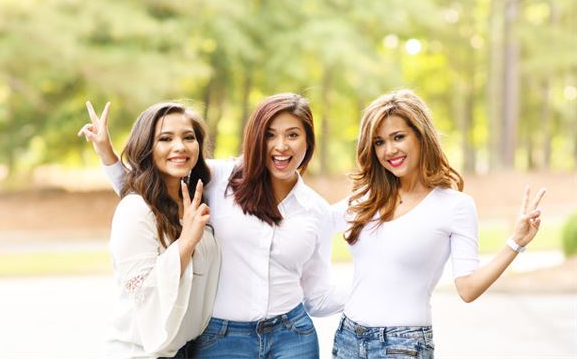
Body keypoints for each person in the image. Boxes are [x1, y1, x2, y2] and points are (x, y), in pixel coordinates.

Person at [82, 94, 346, 359]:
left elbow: (317, 294)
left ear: (308, 141)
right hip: (222, 339)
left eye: (293, 135)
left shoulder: (316, 210)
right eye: (269, 135)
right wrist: (107, 155)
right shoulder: (219, 178)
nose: (281, 146)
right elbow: (152, 189)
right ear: (256, 137)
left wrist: (368, 293)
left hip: (292, 337)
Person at [330, 90, 546, 359]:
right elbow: (310, 223)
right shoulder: (366, 199)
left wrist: (516, 243)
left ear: (421, 137)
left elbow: (468, 289)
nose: (389, 150)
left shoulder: (454, 206)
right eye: (379, 142)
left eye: (398, 137)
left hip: (402, 345)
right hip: (348, 338)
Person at [79, 102, 220, 358]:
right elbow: (144, 292)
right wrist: (186, 242)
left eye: (188, 137)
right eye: (165, 139)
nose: (180, 146)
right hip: (139, 352)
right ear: (146, 148)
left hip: (190, 349)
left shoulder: (195, 200)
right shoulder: (135, 209)